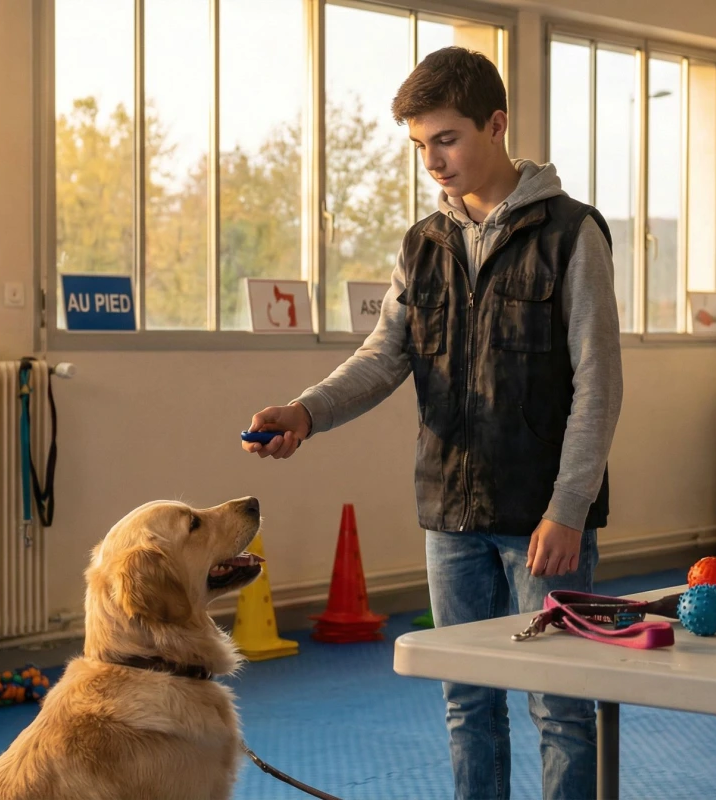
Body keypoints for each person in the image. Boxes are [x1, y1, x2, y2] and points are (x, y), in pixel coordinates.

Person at [242, 47, 622, 800]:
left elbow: (599, 384)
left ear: (497, 124)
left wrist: (568, 507)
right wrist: (307, 412)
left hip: (543, 521)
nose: (432, 161)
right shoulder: (423, 245)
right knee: (467, 700)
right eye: (420, 145)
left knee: (563, 705)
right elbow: (384, 356)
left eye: (445, 138)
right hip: (449, 513)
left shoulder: (574, 235)